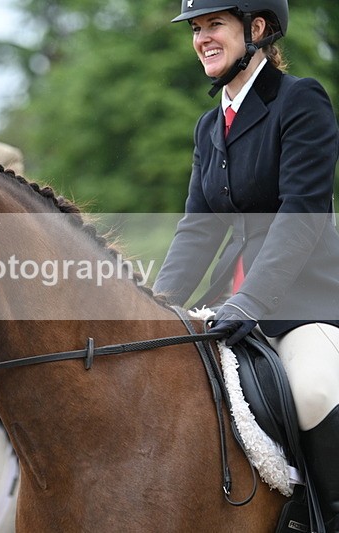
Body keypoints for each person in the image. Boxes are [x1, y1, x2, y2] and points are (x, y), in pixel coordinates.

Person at [153, 0, 339, 529]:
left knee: (311, 392)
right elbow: (196, 231)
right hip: (228, 309)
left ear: (256, 29)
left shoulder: (300, 100)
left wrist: (250, 302)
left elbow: (302, 213)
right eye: (196, 28)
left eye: (215, 24)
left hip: (305, 305)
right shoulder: (210, 127)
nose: (202, 38)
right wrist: (157, 308)